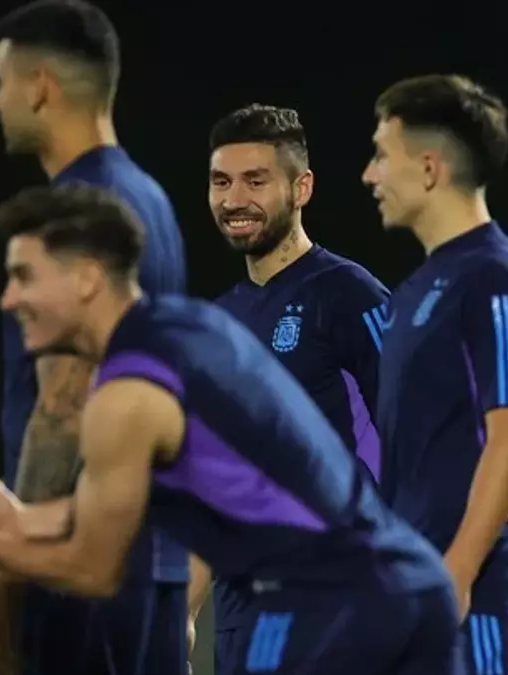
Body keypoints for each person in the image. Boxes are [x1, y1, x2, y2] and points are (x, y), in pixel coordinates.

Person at [0, 183, 462, 675]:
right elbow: (118, 506)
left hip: (323, 608)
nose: (9, 299)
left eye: (23, 276)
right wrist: (23, 518)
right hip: (402, 588)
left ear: (86, 279)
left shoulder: (126, 395)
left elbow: (93, 568)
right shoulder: (192, 327)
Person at [0, 1, 190, 674]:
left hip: (80, 564)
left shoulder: (71, 215)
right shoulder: (151, 203)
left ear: (40, 84)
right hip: (151, 560)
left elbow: (67, 403)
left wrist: (9, 566)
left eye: (2, 81)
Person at [361, 74, 508, 674]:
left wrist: (458, 573)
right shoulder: (416, 289)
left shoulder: (497, 274)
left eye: (381, 155)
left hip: (479, 599)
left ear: (429, 168)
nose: (370, 175)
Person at [193, 103, 391, 671]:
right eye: (221, 182)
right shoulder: (216, 323)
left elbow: (416, 444)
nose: (235, 200)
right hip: (242, 616)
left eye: (256, 181)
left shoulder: (349, 296)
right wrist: (183, 611)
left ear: (301, 187)